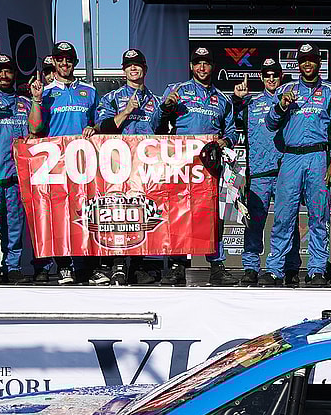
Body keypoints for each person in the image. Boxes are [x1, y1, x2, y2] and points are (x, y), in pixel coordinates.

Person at [261, 43, 331, 286]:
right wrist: (280, 106)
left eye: (311, 60)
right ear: (297, 64)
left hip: (318, 157)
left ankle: (317, 268)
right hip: (290, 158)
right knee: (283, 216)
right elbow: (269, 124)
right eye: (303, 60)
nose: (307, 64)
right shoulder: (285, 90)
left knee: (319, 216)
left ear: (319, 62)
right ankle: (275, 268)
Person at [159, 46, 238, 286]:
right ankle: (177, 265)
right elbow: (161, 124)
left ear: (212, 67)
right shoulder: (177, 91)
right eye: (197, 63)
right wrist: (167, 106)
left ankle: (216, 265)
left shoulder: (222, 99)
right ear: (191, 67)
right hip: (181, 163)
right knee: (179, 212)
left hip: (209, 164)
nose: (202, 67)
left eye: (206, 63)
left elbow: (232, 131)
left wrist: (224, 141)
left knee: (212, 214)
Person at [94, 49, 163, 285]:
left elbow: (165, 133)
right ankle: (118, 263)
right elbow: (102, 127)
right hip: (117, 164)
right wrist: (126, 112)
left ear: (145, 69)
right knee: (118, 213)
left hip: (145, 166)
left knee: (142, 211)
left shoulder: (156, 101)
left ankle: (139, 265)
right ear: (124, 70)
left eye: (137, 65)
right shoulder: (111, 97)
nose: (134, 69)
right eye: (129, 65)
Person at [231, 58, 302, 286]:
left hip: (286, 170)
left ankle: (291, 267)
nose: (271, 78)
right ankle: (251, 267)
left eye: (275, 75)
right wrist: (236, 100)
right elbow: (231, 122)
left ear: (281, 76)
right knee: (254, 223)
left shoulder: (292, 101)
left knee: (287, 221)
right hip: (260, 172)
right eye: (267, 75)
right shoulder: (251, 103)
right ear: (261, 77)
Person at [35, 41, 99, 285]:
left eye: (68, 59)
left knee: (85, 213)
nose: (64, 63)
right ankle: (63, 267)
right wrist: (37, 100)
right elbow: (37, 129)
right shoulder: (47, 92)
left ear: (75, 62)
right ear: (54, 61)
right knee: (59, 216)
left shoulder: (90, 91)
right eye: (60, 59)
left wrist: (92, 127)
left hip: (84, 164)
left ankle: (87, 268)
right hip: (57, 165)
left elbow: (97, 123)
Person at [0, 54, 41, 284]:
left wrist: (37, 99)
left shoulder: (24, 103)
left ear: (14, 74)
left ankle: (12, 267)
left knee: (14, 227)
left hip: (16, 178)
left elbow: (37, 127)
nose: (3, 75)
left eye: (8, 71)